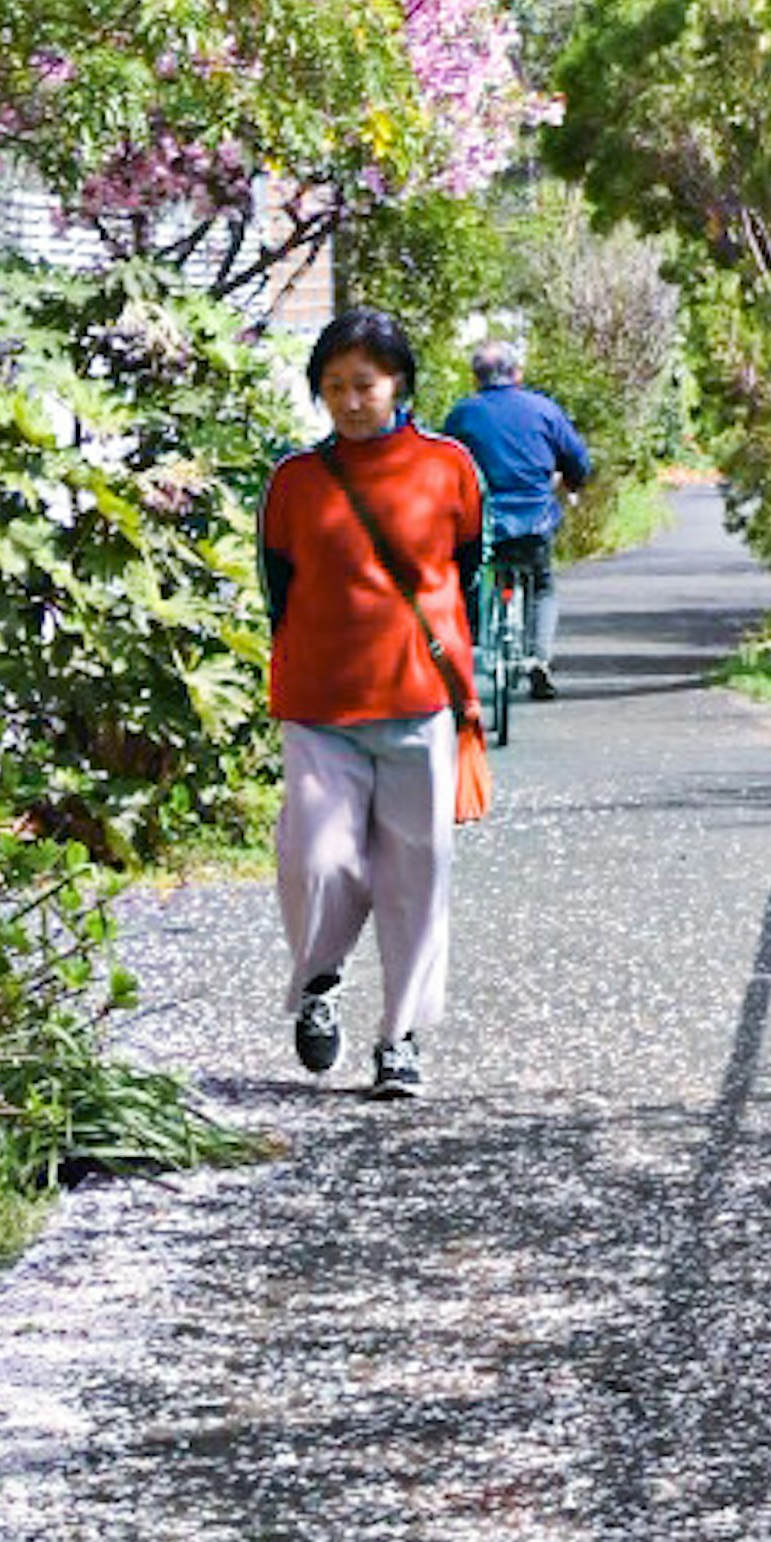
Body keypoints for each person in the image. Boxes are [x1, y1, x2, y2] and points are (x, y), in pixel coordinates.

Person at [260, 308, 487, 1102]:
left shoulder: (449, 467)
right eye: (333, 387)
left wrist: (464, 679)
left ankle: (401, 1039)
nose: (350, 401)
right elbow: (277, 591)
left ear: (400, 384)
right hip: (319, 704)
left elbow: (468, 575)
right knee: (317, 860)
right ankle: (319, 978)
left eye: (364, 384)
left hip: (419, 701)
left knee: (416, 877)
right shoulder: (294, 480)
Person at [441, 332, 593, 701]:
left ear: (476, 377)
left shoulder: (463, 414)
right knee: (542, 585)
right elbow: (577, 459)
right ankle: (539, 659)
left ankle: (476, 640)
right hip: (534, 519)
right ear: (517, 374)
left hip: (484, 521)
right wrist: (572, 483)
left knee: (471, 576)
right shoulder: (543, 409)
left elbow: (442, 464)